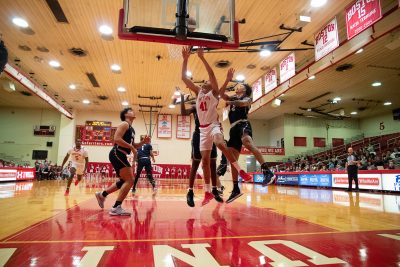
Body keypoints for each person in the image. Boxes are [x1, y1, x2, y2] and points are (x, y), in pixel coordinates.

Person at [181, 46, 252, 202]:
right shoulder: (198, 91)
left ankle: (240, 171)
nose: (206, 82)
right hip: (202, 130)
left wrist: (202, 58)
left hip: (213, 125)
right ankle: (207, 192)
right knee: (205, 161)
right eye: (205, 82)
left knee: (220, 143)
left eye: (208, 82)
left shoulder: (213, 94)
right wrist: (185, 60)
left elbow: (211, 74)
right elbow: (184, 79)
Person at [219, 68, 275, 203]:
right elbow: (221, 94)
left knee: (248, 143)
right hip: (232, 129)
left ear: (244, 90)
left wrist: (230, 102)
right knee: (233, 160)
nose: (238, 87)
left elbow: (241, 103)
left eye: (241, 86)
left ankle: (267, 171)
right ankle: (235, 189)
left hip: (243, 124)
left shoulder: (247, 98)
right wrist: (227, 79)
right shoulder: (232, 98)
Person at [95, 107, 149, 216]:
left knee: (124, 181)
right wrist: (132, 148)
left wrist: (143, 142)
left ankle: (102, 194)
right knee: (130, 180)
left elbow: (134, 146)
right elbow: (116, 139)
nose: (133, 111)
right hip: (117, 152)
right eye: (130, 111)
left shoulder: (131, 129)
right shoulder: (124, 124)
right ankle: (116, 207)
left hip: (120, 154)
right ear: (126, 115)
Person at [180, 93, 222, 207]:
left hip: (211, 134)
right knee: (195, 164)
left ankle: (214, 189)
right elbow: (183, 113)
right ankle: (190, 191)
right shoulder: (196, 106)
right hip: (199, 136)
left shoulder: (211, 102)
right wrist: (182, 98)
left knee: (213, 163)